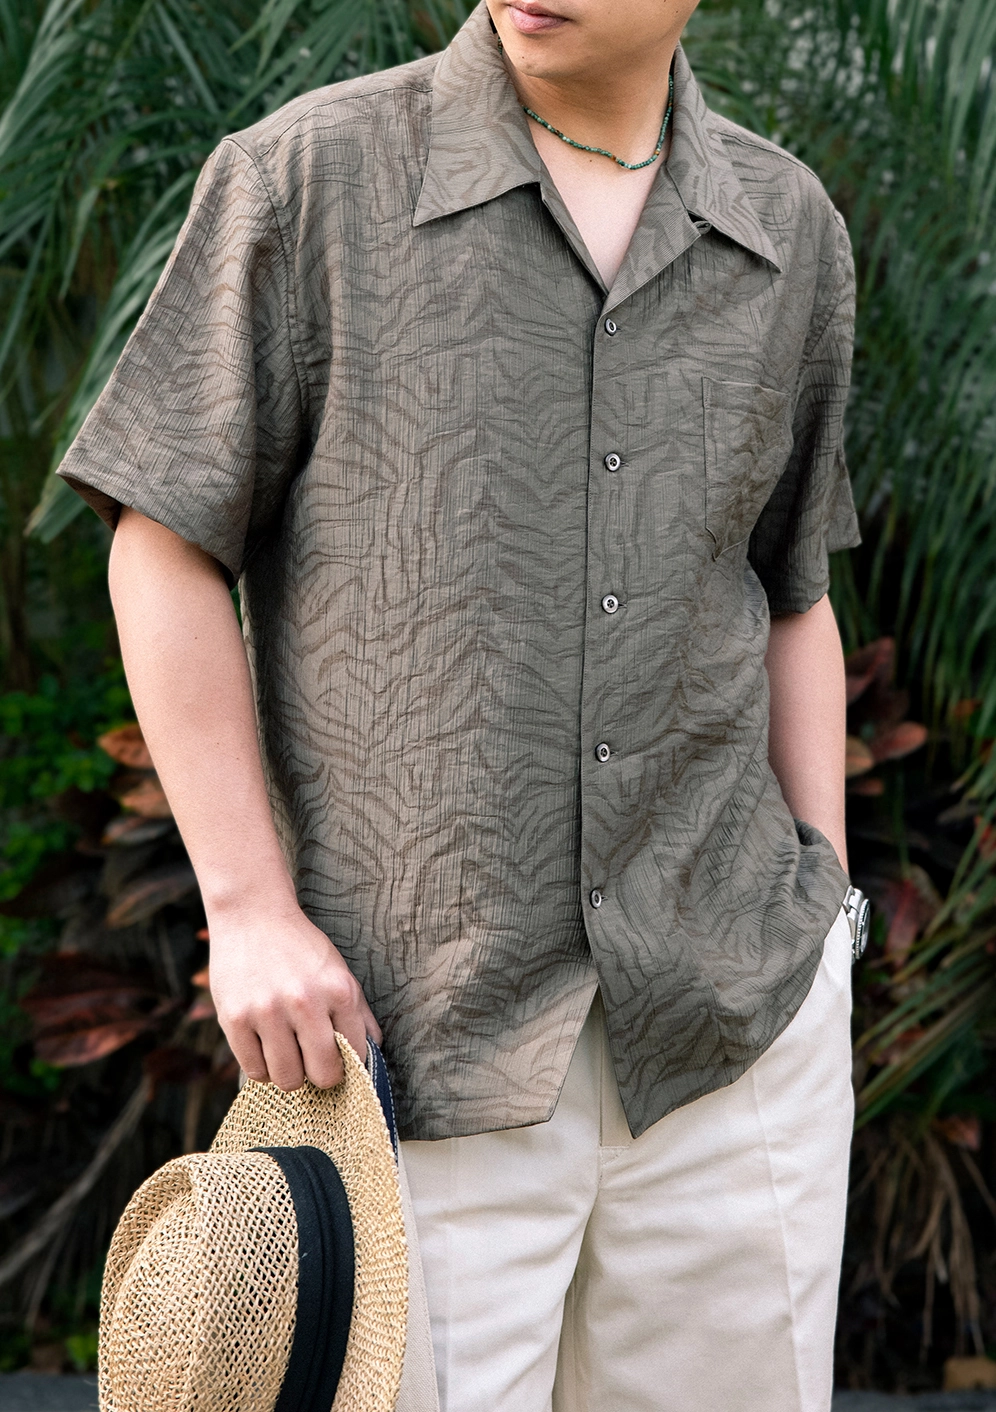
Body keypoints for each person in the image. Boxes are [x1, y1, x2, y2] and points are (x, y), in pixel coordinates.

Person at [58, 1, 864, 1408]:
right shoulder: (308, 179)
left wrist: (829, 912)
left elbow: (790, 589)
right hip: (406, 1044)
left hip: (735, 1026)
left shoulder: (788, 228)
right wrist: (246, 908)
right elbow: (162, 541)